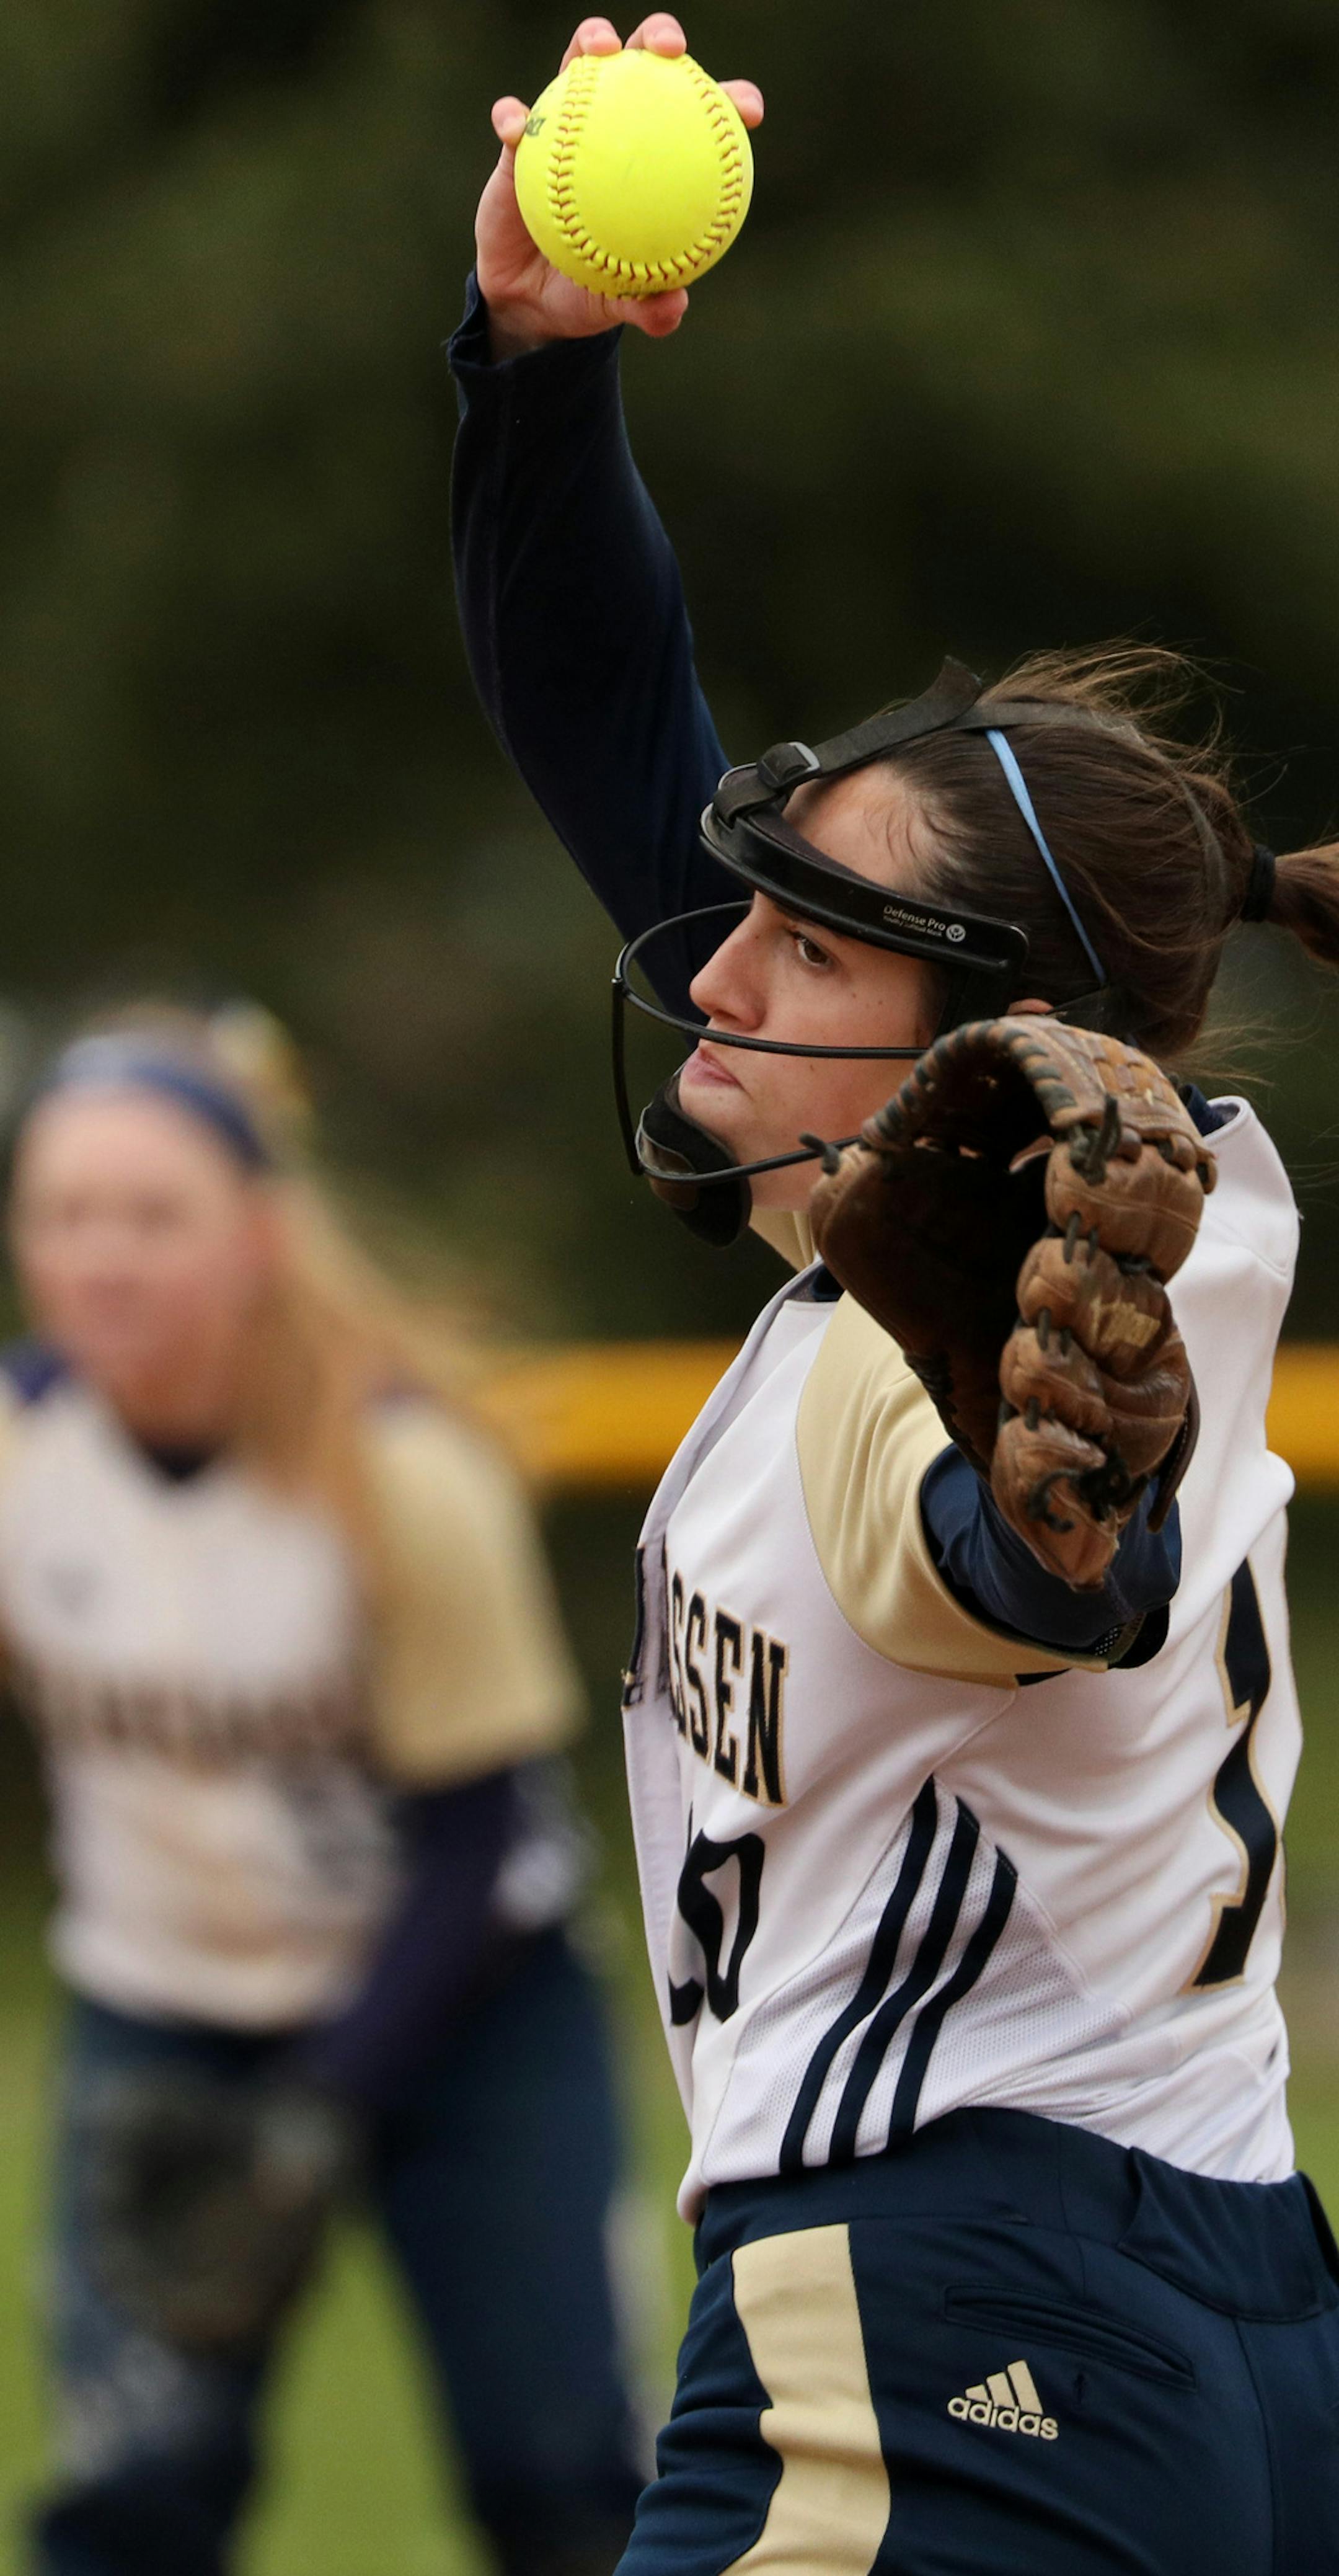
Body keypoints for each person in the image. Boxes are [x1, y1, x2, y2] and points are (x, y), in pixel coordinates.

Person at [449, 18, 1339, 2572]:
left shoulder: (955, 1302)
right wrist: (536, 362)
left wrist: (1046, 1519)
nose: (714, 959)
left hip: (952, 2328)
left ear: (967, 1040)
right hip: (1183, 2305)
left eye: (803, 937)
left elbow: (1040, 1562)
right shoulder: (940, 1179)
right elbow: (609, 714)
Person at [4, 1002, 645, 2576]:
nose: (105, 1257)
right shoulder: (25, 1453)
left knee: (557, 2476)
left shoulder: (398, 1470)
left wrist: (320, 2112)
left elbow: (472, 1836)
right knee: (134, 2490)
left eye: (154, 1215)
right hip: (161, 2011)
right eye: (66, 1214)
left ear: (260, 1235)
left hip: (465, 2013)